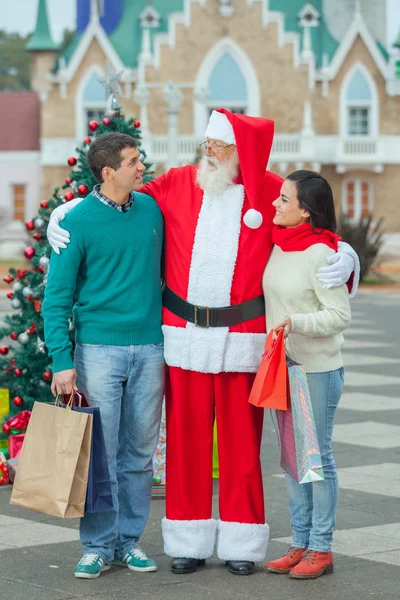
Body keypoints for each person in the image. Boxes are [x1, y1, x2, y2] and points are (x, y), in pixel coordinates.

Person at [47, 110, 359, 576]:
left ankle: (240, 541)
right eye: (206, 145)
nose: (208, 154)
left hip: (243, 340)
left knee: (241, 446)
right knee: (186, 445)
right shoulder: (174, 184)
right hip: (182, 338)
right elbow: (114, 199)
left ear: (240, 152)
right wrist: (66, 209)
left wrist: (344, 251)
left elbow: (306, 222)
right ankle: (188, 541)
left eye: (218, 146)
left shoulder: (269, 191)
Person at [42, 133, 165, 579]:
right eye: (133, 162)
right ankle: (96, 545)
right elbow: (55, 298)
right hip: (97, 352)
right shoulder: (77, 221)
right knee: (100, 454)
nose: (142, 167)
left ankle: (129, 542)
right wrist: (61, 359)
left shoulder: (152, 210)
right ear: (109, 171)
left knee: (139, 455)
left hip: (152, 348)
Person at [264, 170, 351, 579]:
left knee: (316, 459)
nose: (275, 205)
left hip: (316, 370)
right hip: (281, 369)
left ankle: (322, 548)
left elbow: (339, 315)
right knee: (292, 460)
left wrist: (294, 322)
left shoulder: (321, 254)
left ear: (306, 211)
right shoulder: (279, 245)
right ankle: (299, 542)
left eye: (284, 200)